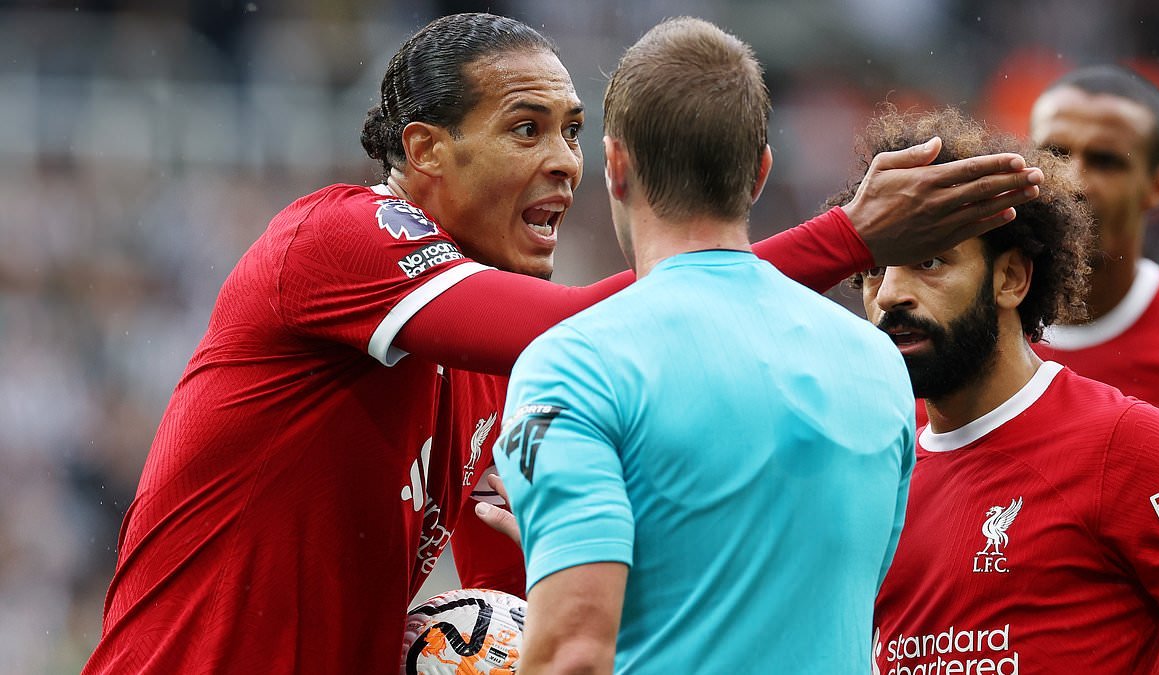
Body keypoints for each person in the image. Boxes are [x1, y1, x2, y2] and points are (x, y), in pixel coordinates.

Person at [83, 12, 1042, 674]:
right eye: (526, 128)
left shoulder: (493, 373)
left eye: (576, 132)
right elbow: (594, 323)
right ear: (423, 154)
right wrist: (845, 241)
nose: (563, 164)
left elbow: (522, 593)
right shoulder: (336, 236)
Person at [487, 17, 914, 673]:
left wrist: (568, 546)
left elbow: (573, 654)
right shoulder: (878, 363)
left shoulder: (571, 365)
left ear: (618, 164)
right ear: (761, 172)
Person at [845, 106, 1159, 674]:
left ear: (1011, 278)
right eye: (873, 270)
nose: (889, 295)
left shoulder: (1126, 444)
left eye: (929, 261)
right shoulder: (871, 466)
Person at [1027, 66, 1159, 673]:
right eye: (1053, 152)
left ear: (1157, 186)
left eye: (1105, 161)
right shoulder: (963, 344)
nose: (1072, 180)